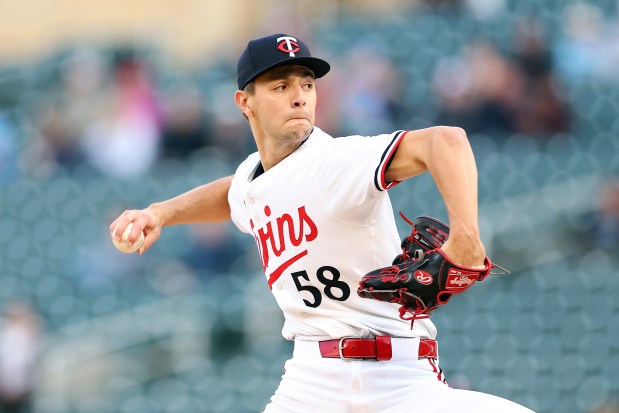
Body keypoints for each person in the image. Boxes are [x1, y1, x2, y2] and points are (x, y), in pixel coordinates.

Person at [110, 33, 535, 412]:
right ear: (245, 103)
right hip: (310, 381)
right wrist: (160, 212)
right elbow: (232, 193)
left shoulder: (335, 161)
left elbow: (447, 141)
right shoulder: (255, 177)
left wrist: (466, 237)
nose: (299, 96)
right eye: (281, 86)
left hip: (401, 381)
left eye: (307, 85)